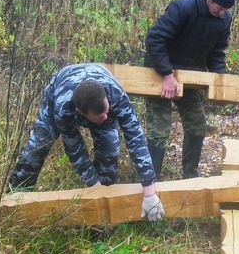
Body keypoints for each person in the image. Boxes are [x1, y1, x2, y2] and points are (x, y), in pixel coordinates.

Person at [8, 63, 165, 221]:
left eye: (106, 111)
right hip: (60, 88)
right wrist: (94, 186)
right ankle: (12, 204)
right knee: (36, 149)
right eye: (100, 116)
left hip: (99, 86)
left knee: (109, 154)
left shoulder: (115, 96)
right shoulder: (64, 109)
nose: (106, 117)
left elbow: (136, 140)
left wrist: (149, 193)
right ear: (81, 113)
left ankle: (102, 223)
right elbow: (76, 151)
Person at [144, 0, 236, 179]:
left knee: (197, 125)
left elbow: (217, 52)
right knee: (159, 129)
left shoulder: (224, 19)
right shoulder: (182, 8)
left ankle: (190, 177)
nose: (222, 13)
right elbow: (154, 39)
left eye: (225, 10)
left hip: (191, 76)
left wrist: (219, 82)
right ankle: (149, 181)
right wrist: (167, 74)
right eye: (219, 8)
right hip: (160, 73)